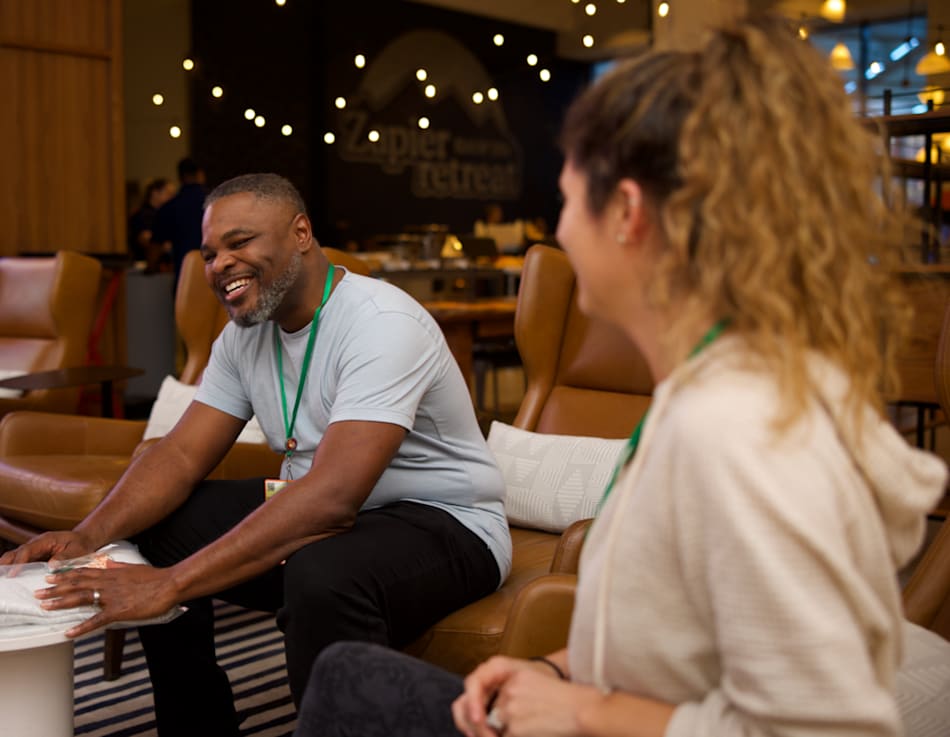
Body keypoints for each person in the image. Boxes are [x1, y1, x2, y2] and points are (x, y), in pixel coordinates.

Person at [291, 15, 947, 737]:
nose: (560, 233)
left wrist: (585, 709)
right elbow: (673, 628)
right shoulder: (706, 390)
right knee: (348, 674)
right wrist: (559, 669)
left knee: (348, 684)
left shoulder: (734, 430)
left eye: (568, 202)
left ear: (628, 213)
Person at [0, 173, 511, 737]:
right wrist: (87, 536)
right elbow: (179, 455)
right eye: (209, 253)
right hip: (331, 511)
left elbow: (334, 498)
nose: (220, 265)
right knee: (165, 523)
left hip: (446, 523)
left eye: (239, 243)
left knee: (322, 575)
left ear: (300, 233)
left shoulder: (382, 324)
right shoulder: (244, 335)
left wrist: (170, 584)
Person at [152, 157, 208, 282]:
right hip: (215, 273)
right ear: (201, 174)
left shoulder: (170, 207)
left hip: (183, 276)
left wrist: (151, 267)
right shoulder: (215, 203)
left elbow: (155, 246)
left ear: (180, 177)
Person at [127, 177, 174, 270]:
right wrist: (166, 245)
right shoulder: (141, 215)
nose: (172, 198)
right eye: (168, 194)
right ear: (155, 193)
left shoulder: (166, 215)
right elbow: (145, 238)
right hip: (145, 267)